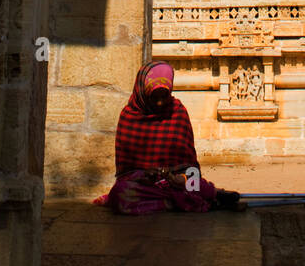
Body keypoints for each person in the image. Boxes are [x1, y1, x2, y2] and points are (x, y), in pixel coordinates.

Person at [94, 60, 244, 215]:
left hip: (176, 183)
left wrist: (181, 178)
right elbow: (126, 172)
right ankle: (188, 201)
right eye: (154, 97)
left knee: (194, 185)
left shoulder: (177, 112)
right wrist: (145, 175)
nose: (160, 103)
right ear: (142, 91)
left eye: (164, 96)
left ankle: (208, 196)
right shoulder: (129, 116)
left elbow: (190, 167)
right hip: (145, 186)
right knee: (120, 193)